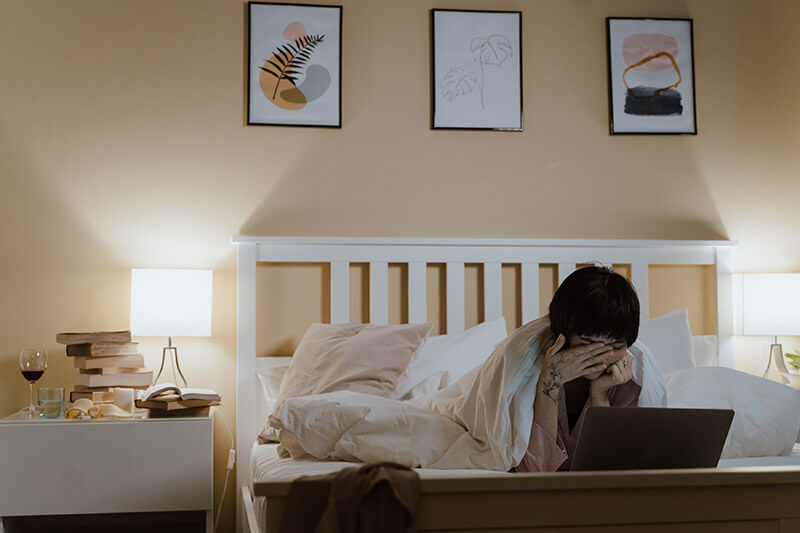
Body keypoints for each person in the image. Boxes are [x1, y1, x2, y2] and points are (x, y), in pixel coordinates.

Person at [516, 266, 641, 472]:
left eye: (616, 347)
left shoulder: (628, 383)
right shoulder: (525, 371)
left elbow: (607, 470)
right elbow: (535, 471)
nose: (602, 356)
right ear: (563, 336)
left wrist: (600, 394)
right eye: (587, 343)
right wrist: (550, 382)